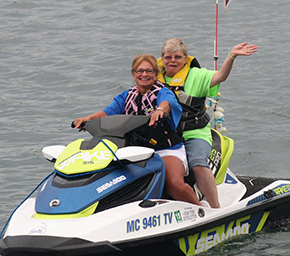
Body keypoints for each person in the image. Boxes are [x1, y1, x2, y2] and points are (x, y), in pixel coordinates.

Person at [74, 54, 201, 206]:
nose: (144, 75)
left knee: (174, 183)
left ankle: (201, 211)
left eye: (149, 71)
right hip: (135, 152)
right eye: (140, 71)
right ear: (133, 74)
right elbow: (107, 112)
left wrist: (160, 110)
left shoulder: (163, 92)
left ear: (156, 74)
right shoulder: (127, 96)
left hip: (166, 150)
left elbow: (167, 103)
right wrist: (87, 120)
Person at [157, 38, 258, 208]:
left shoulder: (197, 75)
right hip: (166, 134)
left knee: (197, 163)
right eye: (168, 57)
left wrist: (231, 56)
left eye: (177, 57)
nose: (172, 61)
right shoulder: (154, 76)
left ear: (185, 58)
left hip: (194, 133)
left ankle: (215, 206)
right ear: (162, 58)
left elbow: (220, 76)